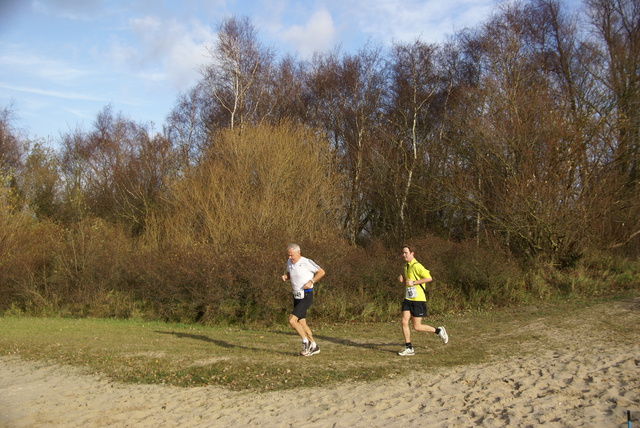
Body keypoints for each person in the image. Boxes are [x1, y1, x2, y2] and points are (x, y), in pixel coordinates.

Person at [397, 244, 448, 356]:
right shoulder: (406, 266)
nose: (403, 255)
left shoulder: (417, 266)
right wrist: (402, 279)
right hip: (408, 298)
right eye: (403, 253)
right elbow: (409, 280)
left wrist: (414, 283)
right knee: (404, 321)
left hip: (418, 300)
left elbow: (429, 278)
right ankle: (409, 347)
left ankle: (438, 330)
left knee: (417, 327)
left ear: (412, 253)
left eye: (406, 253)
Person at [281, 243, 325, 356]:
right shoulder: (289, 263)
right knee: (302, 323)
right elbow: (291, 273)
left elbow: (321, 272)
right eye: (288, 255)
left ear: (298, 253)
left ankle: (305, 342)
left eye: (291, 255)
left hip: (306, 295)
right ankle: (314, 346)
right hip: (296, 295)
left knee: (292, 320)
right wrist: (286, 276)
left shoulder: (306, 262)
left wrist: (312, 281)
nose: (289, 258)